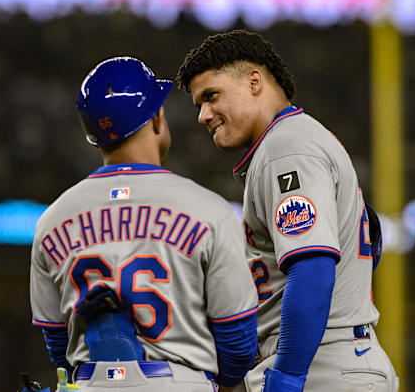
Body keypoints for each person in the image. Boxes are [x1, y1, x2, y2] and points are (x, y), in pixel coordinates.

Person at [176, 30, 398, 392]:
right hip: (334, 360)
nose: (203, 115)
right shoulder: (294, 142)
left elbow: (312, 269)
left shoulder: (286, 148)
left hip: (320, 365)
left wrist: (287, 377)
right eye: (199, 104)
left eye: (211, 96)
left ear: (253, 81)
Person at [29, 56, 259, 392]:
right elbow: (237, 342)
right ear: (156, 117)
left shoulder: (51, 220)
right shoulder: (209, 210)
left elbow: (56, 343)